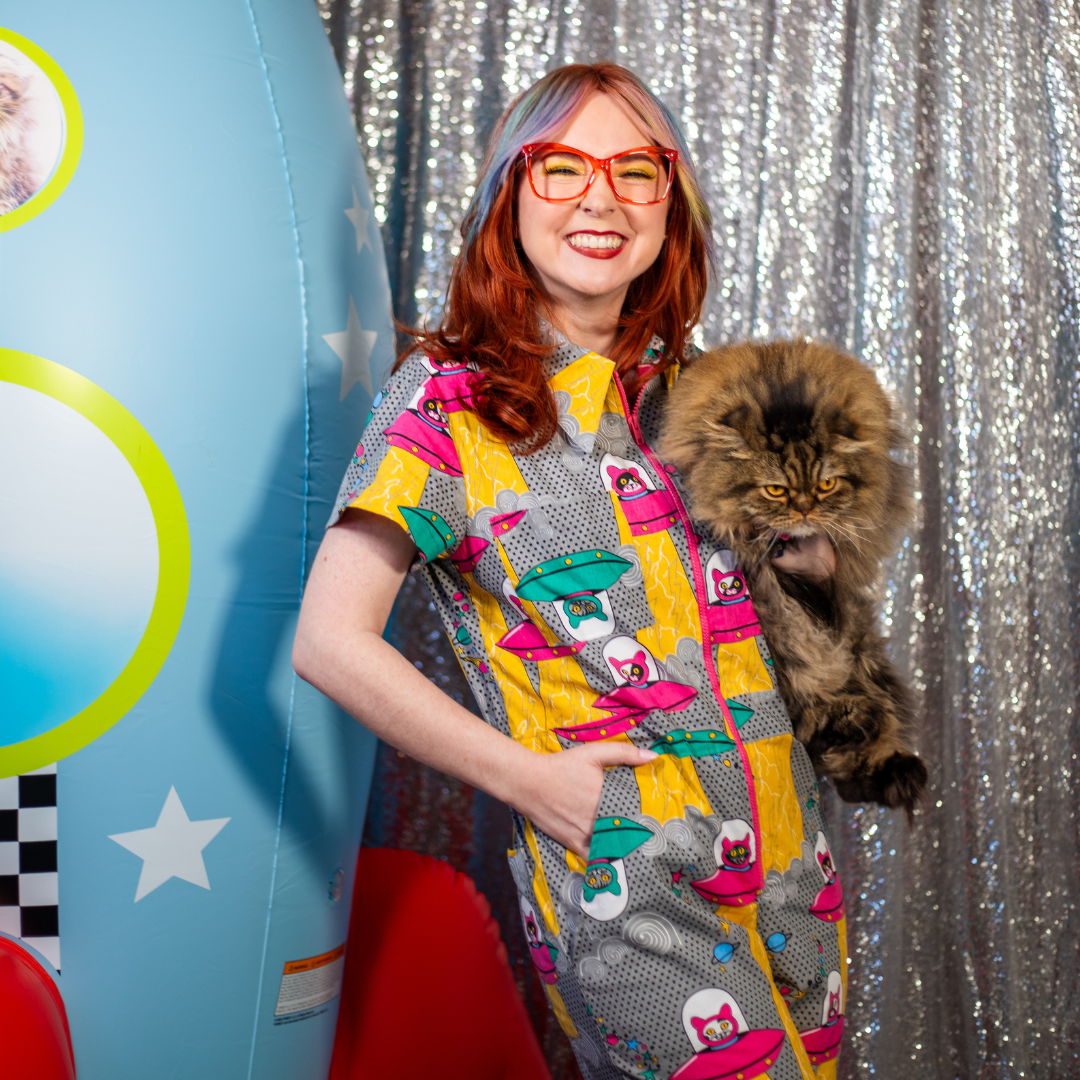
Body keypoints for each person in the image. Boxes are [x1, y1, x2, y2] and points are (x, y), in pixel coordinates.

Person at [294, 63, 846, 1080]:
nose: (600, 196)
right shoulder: (446, 403)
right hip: (630, 884)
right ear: (510, 196)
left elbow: (776, 621)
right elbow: (327, 639)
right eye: (560, 166)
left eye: (636, 170)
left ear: (669, 208)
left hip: (786, 859)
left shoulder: (703, 396)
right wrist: (530, 783)